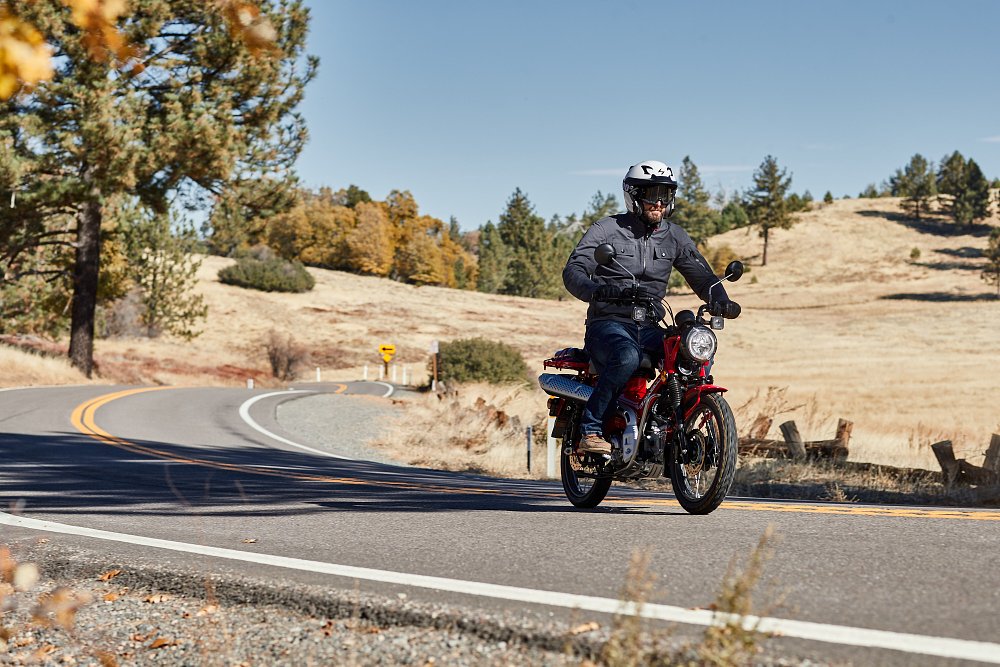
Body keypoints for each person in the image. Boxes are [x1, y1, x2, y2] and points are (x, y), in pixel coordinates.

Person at [562, 160, 741, 455]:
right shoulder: (607, 230)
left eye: (665, 194)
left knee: (692, 351)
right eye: (651, 194)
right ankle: (591, 429)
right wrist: (597, 290)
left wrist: (719, 299)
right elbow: (574, 270)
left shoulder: (675, 237)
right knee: (627, 355)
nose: (658, 202)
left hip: (648, 326)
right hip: (608, 323)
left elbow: (702, 276)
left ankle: (671, 425)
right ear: (633, 195)